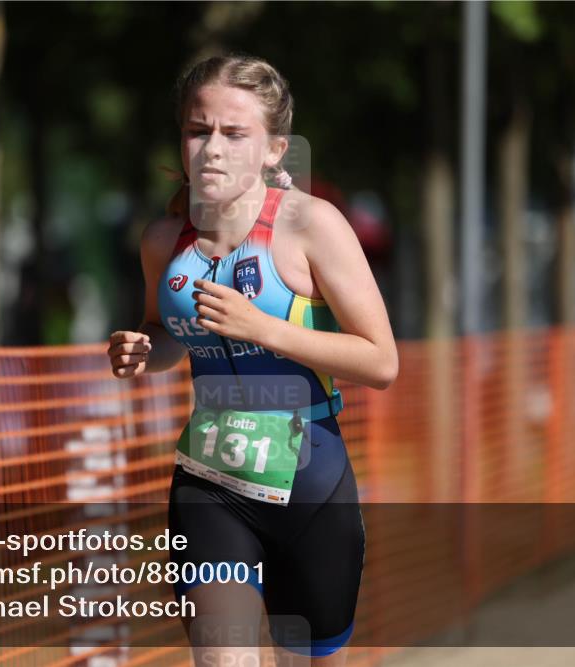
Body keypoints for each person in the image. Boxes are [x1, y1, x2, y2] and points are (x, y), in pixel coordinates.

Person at [108, 54, 398, 666]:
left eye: (234, 134)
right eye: (198, 130)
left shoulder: (311, 226)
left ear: (275, 149)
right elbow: (164, 332)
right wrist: (142, 348)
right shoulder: (165, 241)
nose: (212, 148)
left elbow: (380, 362)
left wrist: (262, 328)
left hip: (312, 483)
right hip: (209, 483)